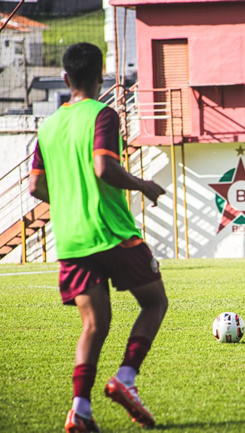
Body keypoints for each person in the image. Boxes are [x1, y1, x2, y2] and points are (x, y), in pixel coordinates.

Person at [29, 43, 168, 433]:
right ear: (101, 73)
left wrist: (70, 196)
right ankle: (124, 379)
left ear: (65, 78)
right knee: (154, 302)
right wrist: (143, 185)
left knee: (94, 324)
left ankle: (80, 410)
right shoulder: (102, 114)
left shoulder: (49, 124)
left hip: (72, 240)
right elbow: (104, 167)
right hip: (110, 230)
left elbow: (36, 186)